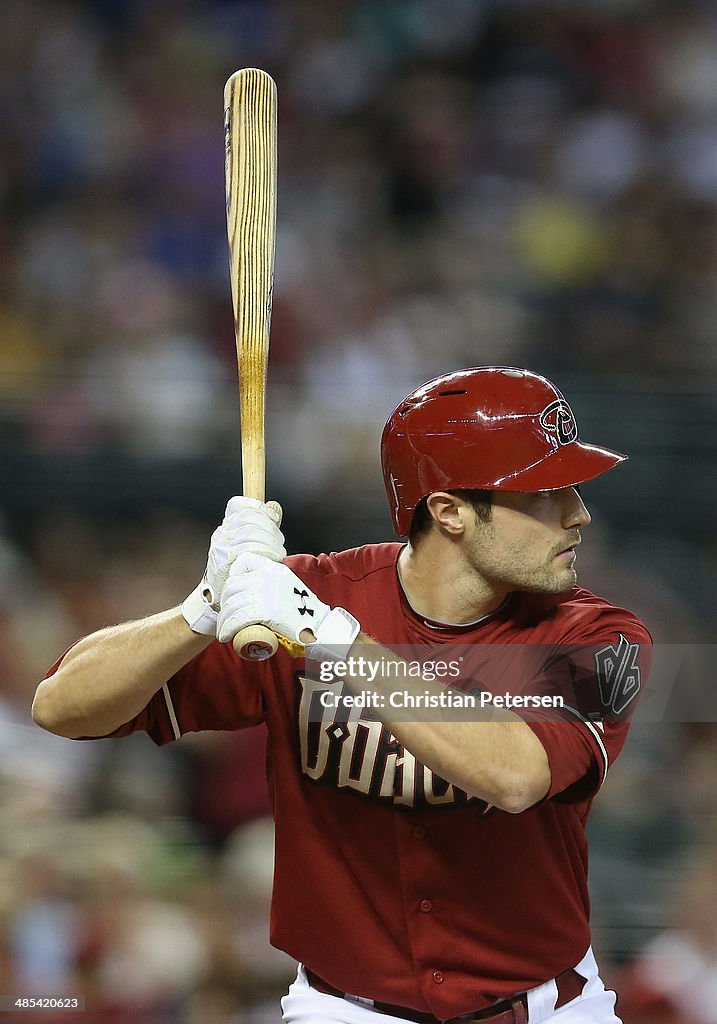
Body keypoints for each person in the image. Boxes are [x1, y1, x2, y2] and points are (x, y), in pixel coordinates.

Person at [33, 366, 651, 1024]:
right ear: (447, 512)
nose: (577, 513)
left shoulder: (598, 635)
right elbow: (61, 708)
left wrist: (331, 638)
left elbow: (515, 774)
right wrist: (201, 606)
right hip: (346, 1008)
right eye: (543, 493)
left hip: (548, 1007)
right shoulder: (306, 597)